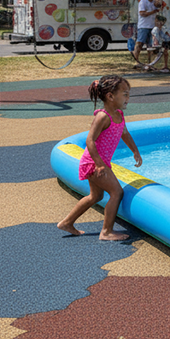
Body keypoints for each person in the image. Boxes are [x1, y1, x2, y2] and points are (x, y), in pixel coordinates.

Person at [57, 75, 141, 241]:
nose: (128, 98)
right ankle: (106, 231)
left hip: (99, 163)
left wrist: (135, 151)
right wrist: (100, 165)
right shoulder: (103, 117)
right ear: (110, 96)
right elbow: (90, 140)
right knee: (117, 192)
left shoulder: (119, 115)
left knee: (95, 197)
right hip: (95, 163)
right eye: (124, 94)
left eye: (128, 94)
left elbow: (125, 134)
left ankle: (66, 222)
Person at [133, 0, 166, 69]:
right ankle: (136, 61)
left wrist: (159, 3)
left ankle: (150, 63)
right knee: (139, 43)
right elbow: (142, 13)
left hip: (152, 26)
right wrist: (153, 11)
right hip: (143, 26)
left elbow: (160, 6)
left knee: (151, 46)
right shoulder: (143, 2)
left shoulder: (153, 2)